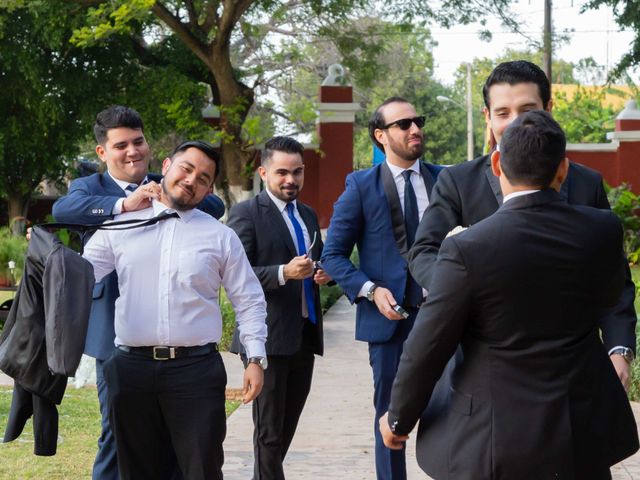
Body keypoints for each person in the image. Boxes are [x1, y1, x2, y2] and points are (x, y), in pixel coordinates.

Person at [381, 110, 639, 479]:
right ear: (563, 170)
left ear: (498, 164)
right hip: (579, 432)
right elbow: (611, 295)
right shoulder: (603, 230)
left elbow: (428, 345)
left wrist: (398, 417)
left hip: (493, 439)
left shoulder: (467, 249)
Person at [408, 60, 637, 389]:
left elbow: (613, 278)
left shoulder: (586, 183)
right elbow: (424, 251)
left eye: (528, 109)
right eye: (502, 112)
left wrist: (619, 351)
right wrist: (462, 288)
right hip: (483, 368)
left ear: (549, 108)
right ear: (487, 117)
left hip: (573, 371)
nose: (516, 123)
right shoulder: (457, 182)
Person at [51, 105, 225, 480]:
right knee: (117, 436)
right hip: (113, 335)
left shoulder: (170, 180)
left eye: (139, 141)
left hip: (176, 342)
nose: (133, 151)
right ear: (103, 152)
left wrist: (167, 194)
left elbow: (214, 203)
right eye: (121, 145)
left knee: (175, 439)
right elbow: (64, 209)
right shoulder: (89, 189)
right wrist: (124, 205)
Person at [83, 140, 267, 480]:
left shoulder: (220, 236)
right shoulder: (122, 224)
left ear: (209, 189)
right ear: (166, 166)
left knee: (201, 470)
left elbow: (249, 299)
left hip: (195, 371)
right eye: (186, 168)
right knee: (135, 471)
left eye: (203, 178)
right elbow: (80, 276)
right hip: (130, 369)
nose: (191, 180)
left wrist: (254, 358)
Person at [321, 98, 442, 480]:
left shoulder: (446, 181)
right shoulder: (360, 186)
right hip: (390, 323)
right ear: (380, 135)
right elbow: (334, 255)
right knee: (391, 418)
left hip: (447, 318)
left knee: (458, 411)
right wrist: (371, 290)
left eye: (417, 121)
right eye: (403, 124)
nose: (415, 129)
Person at [227, 136, 330, 479]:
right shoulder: (246, 214)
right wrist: (283, 273)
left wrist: (321, 272)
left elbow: (313, 260)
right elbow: (235, 275)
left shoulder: (308, 215)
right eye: (282, 172)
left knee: (285, 429)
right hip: (265, 337)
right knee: (268, 433)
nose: (291, 180)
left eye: (297, 172)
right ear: (264, 172)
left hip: (303, 335)